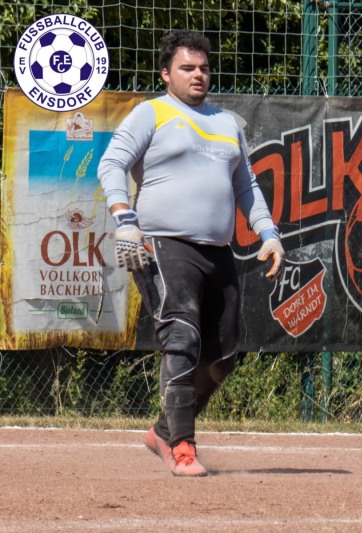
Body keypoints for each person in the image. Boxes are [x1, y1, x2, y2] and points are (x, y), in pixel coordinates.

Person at [98, 30, 284, 477]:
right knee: (180, 337)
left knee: (221, 358)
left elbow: (246, 185)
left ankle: (163, 429)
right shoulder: (152, 113)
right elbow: (112, 164)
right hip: (162, 244)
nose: (197, 74)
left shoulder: (226, 123)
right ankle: (182, 446)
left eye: (202, 67)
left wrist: (269, 234)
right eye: (187, 67)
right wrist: (125, 220)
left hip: (218, 250)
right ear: (166, 74)